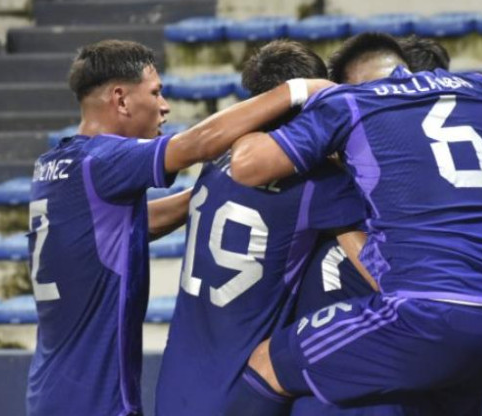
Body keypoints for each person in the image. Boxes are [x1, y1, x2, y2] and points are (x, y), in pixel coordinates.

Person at [217, 32, 482, 415]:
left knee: (268, 363)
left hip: (428, 317)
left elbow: (247, 166)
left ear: (351, 80)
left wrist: (298, 94)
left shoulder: (349, 101)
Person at [26, 39, 331, 415]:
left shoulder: (55, 165)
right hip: (96, 399)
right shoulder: (102, 161)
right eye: (155, 93)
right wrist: (299, 89)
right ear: (121, 100)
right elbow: (196, 144)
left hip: (49, 390)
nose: (165, 106)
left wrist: (217, 190)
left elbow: (136, 225)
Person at [154, 39, 367, 416]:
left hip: (175, 384)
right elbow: (372, 264)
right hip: (243, 388)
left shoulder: (219, 157)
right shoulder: (318, 183)